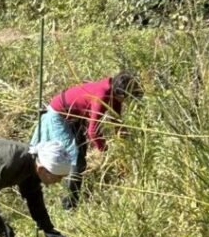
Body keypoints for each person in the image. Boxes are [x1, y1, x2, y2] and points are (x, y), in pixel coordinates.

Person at [32, 71, 143, 210]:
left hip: (74, 115)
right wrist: (104, 150)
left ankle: (74, 197)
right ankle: (69, 205)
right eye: (127, 98)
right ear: (121, 94)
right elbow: (93, 132)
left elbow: (115, 115)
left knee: (81, 155)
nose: (126, 102)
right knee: (73, 158)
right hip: (58, 116)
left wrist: (121, 132)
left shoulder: (112, 89)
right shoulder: (101, 96)